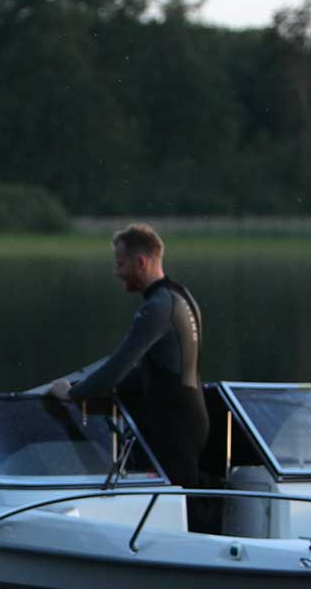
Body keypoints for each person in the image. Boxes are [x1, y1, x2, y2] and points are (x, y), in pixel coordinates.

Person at [47, 223, 208, 525]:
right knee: (186, 506)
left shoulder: (157, 308)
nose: (117, 272)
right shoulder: (181, 297)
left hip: (174, 426)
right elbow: (155, 368)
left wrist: (70, 392)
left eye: (120, 264)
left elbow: (115, 369)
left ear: (141, 262)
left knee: (183, 515)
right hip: (191, 415)